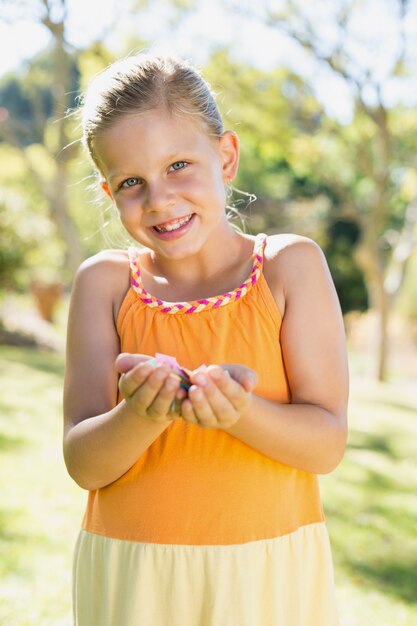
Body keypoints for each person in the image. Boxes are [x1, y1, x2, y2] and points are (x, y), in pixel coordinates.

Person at [63, 54, 349, 626]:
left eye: (179, 165)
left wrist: (239, 414)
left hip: (263, 575)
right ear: (108, 190)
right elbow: (83, 463)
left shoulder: (288, 267)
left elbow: (326, 444)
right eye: (132, 182)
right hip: (134, 576)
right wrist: (141, 415)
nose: (159, 199)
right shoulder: (105, 282)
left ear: (226, 156)